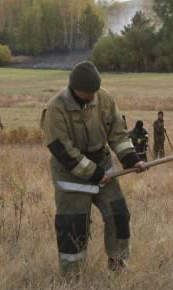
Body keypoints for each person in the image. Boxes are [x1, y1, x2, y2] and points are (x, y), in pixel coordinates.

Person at [41, 61, 146, 275]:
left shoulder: (104, 98)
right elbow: (63, 151)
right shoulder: (55, 109)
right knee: (73, 225)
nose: (92, 96)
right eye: (87, 92)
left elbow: (117, 133)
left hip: (102, 164)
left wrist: (131, 158)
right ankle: (72, 275)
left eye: (94, 91)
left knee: (118, 214)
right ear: (74, 88)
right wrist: (95, 174)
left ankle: (117, 264)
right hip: (71, 173)